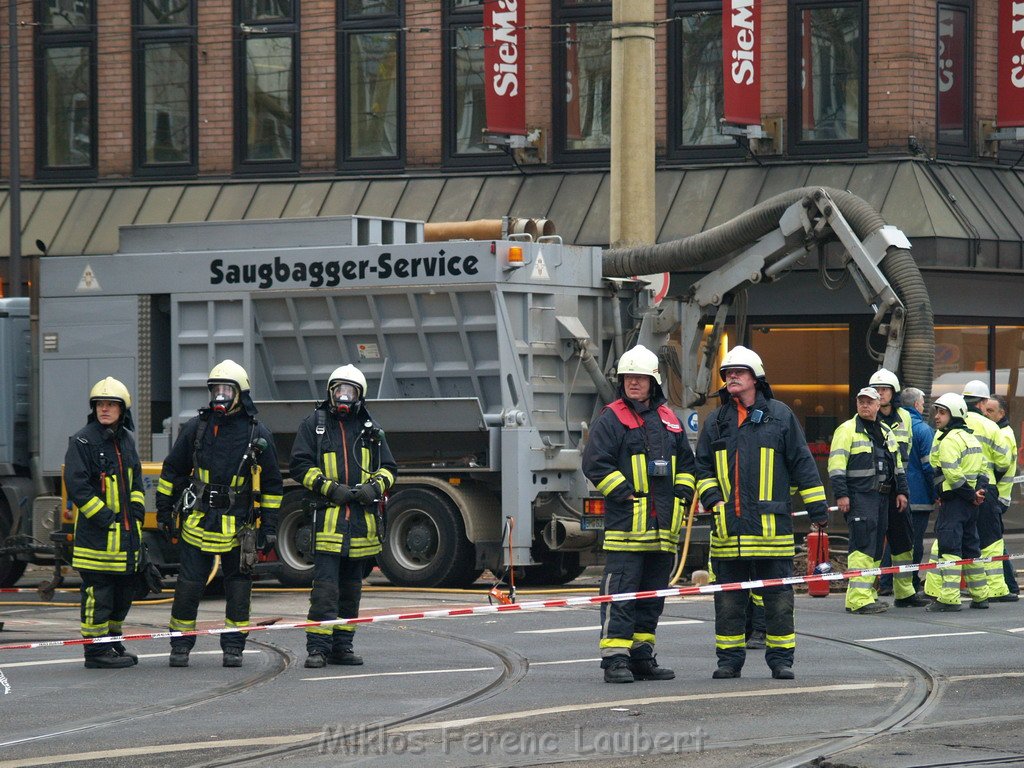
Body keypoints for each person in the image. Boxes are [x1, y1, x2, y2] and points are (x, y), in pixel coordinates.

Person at [694, 345, 828, 681]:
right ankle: (729, 661)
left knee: (779, 600)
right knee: (728, 602)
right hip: (730, 531)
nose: (732, 377)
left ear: (757, 378)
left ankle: (781, 660)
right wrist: (712, 498)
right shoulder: (716, 422)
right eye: (728, 373)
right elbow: (701, 466)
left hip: (771, 531)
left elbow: (801, 462)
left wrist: (817, 508)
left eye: (739, 372)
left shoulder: (780, 417)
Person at [156, 360, 283, 668]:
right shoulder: (197, 428)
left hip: (239, 525)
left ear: (241, 394)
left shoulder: (257, 433)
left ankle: (234, 647)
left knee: (238, 586)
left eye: (227, 390)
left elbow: (272, 484)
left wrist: (269, 527)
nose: (221, 396)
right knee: (189, 584)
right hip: (199, 521)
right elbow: (172, 470)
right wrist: (163, 510)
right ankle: (181, 646)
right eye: (216, 390)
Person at [583, 344, 696, 684]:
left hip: (663, 530)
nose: (634, 383)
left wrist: (682, 495)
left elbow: (687, 465)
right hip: (627, 528)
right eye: (628, 377)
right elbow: (594, 463)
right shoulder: (612, 417)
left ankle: (642, 656)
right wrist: (624, 492)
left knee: (651, 598)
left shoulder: (670, 421)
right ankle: (615, 659)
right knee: (621, 594)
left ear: (653, 382)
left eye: (640, 378)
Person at [290, 364, 397, 668]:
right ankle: (318, 649)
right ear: (330, 391)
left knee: (351, 592)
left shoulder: (371, 430)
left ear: (360, 395)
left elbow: (390, 469)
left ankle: (342, 647)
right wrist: (329, 488)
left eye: (350, 391)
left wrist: (372, 487)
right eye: (339, 390)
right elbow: (299, 465)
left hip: (361, 525)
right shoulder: (314, 424)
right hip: (327, 523)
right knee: (325, 591)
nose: (344, 397)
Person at [64, 377, 147, 669]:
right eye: (100, 404)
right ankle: (95, 651)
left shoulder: (125, 439)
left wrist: (136, 511)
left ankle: (111, 641)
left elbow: (136, 480)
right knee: (98, 595)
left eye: (111, 404)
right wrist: (106, 518)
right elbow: (78, 486)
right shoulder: (83, 441)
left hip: (125, 540)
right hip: (97, 540)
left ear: (122, 409)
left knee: (123, 593)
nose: (105, 409)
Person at [828, 387, 913, 614]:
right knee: (863, 544)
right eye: (861, 402)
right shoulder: (846, 430)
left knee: (875, 548)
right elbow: (836, 467)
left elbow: (898, 467)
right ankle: (858, 599)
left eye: (869, 402)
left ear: (878, 405)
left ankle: (868, 593)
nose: (865, 405)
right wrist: (842, 494)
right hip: (859, 496)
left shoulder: (885, 430)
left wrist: (902, 492)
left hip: (882, 496)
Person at [925, 393, 989, 611]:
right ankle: (981, 596)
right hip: (971, 505)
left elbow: (952, 475)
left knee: (949, 548)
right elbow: (983, 470)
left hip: (954, 503)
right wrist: (978, 493)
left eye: (942, 413)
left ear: (954, 415)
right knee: (972, 548)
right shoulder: (972, 438)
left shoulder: (949, 440)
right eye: (937, 412)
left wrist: (970, 495)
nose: (937, 417)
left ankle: (950, 599)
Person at [962, 380, 1013, 604]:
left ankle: (941, 590)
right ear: (982, 403)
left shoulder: (954, 422)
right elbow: (1004, 461)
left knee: (957, 537)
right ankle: (994, 588)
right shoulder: (990, 426)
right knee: (990, 538)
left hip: (958, 488)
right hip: (987, 486)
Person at [868, 369, 916, 600]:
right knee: (872, 545)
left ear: (893, 392)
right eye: (876, 390)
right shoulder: (865, 417)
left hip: (896, 489)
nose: (880, 393)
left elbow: (903, 457)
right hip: (873, 492)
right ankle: (866, 594)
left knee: (903, 542)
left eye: (884, 389)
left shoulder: (904, 417)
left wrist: (902, 490)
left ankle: (905, 593)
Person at [899, 387, 936, 594]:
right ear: (916, 405)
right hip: (919, 496)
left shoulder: (895, 426)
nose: (924, 406)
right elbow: (929, 467)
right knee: (915, 542)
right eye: (922, 403)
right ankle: (912, 582)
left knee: (896, 540)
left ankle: (888, 582)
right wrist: (936, 494)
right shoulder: (923, 430)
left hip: (898, 495)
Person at [983, 394, 1020, 599]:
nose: (986, 414)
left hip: (998, 496)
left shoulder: (1002, 434)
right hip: (998, 495)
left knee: (993, 541)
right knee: (995, 541)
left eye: (991, 411)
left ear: (1001, 413)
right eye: (985, 410)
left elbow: (1001, 466)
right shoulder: (999, 431)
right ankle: (1009, 584)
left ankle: (1009, 585)